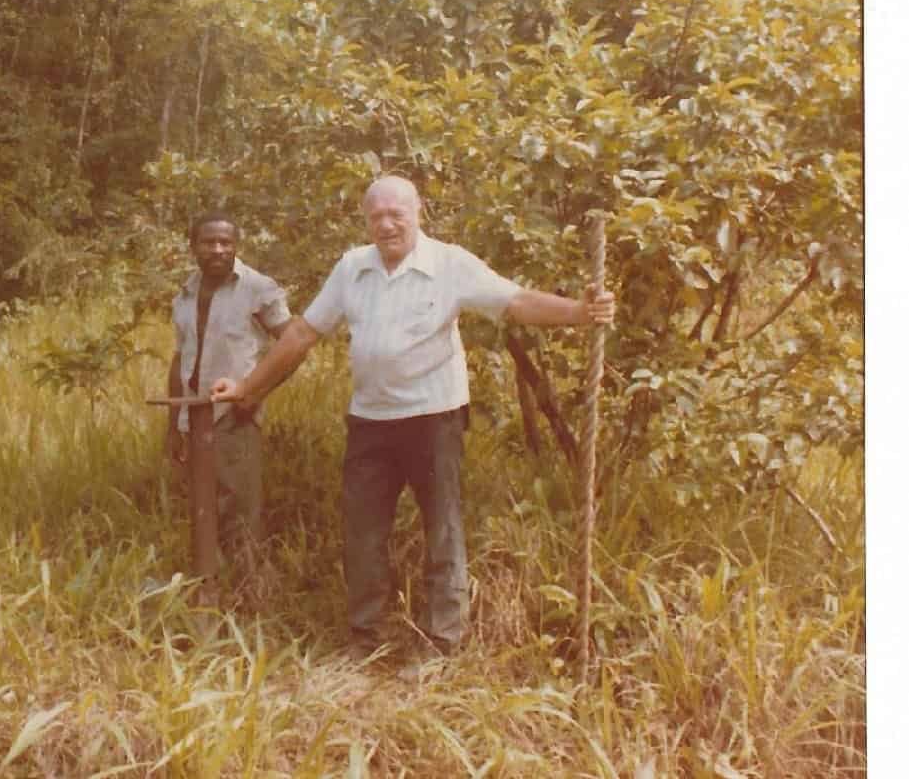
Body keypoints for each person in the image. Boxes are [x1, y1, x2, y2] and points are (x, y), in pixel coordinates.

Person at [212, 176, 615, 655]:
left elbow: (516, 303)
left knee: (442, 529)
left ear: (418, 212)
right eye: (376, 216)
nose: (386, 224)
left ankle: (442, 642)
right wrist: (247, 389)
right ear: (365, 220)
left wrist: (578, 312)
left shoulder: (449, 263)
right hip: (369, 421)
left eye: (396, 214)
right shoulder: (351, 268)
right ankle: (366, 637)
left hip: (434, 418)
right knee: (362, 531)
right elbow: (302, 333)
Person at [164, 211, 291, 576]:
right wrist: (174, 425)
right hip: (193, 417)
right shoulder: (186, 294)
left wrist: (252, 391)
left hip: (234, 418)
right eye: (209, 242)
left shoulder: (258, 288)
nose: (218, 249)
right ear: (194, 247)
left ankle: (250, 593)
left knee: (240, 511)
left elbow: (292, 343)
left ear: (236, 246)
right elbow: (181, 359)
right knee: (203, 510)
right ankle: (209, 587)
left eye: (226, 242)